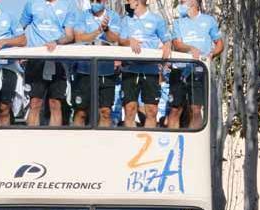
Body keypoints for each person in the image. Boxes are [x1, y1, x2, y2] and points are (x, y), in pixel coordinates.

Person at [18, 0, 81, 127]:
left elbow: (69, 36)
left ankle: (55, 141)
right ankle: (31, 138)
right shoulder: (32, 3)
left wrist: (56, 42)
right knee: (35, 102)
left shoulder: (68, 4)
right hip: (36, 60)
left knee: (55, 103)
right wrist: (21, 51)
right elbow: (20, 29)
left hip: (58, 60)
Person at [167, 0, 223, 130]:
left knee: (196, 109)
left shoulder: (209, 20)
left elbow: (220, 44)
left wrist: (211, 54)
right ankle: (170, 145)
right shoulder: (178, 22)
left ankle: (194, 144)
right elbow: (177, 44)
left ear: (195, 2)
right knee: (176, 109)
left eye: (184, 0)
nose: (181, 2)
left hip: (199, 71)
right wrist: (191, 48)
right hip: (180, 70)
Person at [118, 0, 171, 128]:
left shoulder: (156, 19)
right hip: (130, 69)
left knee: (152, 110)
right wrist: (129, 41)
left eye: (129, 0)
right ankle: (131, 143)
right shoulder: (126, 20)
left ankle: (148, 143)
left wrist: (166, 47)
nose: (126, 2)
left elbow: (167, 40)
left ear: (137, 2)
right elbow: (121, 40)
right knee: (130, 110)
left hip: (150, 69)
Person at [71, 2, 122, 126]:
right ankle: (77, 142)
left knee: (105, 112)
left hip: (106, 71)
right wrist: (98, 30)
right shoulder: (82, 16)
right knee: (81, 112)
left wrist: (107, 29)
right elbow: (79, 38)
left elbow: (114, 39)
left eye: (98, 0)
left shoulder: (114, 16)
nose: (95, 3)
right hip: (84, 70)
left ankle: (104, 143)